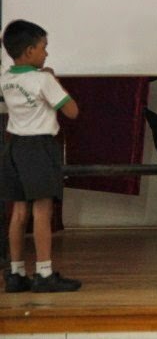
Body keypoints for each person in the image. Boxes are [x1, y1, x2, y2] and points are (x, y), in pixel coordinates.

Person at [0, 20, 82, 293]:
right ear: (29, 51)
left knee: (18, 211)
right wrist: (54, 81)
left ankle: (15, 273)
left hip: (14, 146)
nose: (46, 53)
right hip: (39, 147)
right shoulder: (43, 79)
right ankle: (44, 273)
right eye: (43, 47)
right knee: (42, 211)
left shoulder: (6, 78)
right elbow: (72, 111)